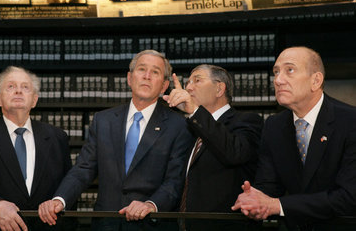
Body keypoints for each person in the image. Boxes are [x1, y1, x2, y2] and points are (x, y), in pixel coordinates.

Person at [39, 50, 193, 230]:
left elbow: (175, 181)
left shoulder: (179, 126)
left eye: (155, 72)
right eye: (141, 69)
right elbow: (84, 168)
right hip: (106, 223)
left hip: (152, 224)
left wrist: (151, 205)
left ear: (164, 85)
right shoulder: (103, 120)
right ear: (129, 78)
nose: (147, 76)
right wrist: (60, 199)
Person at [232, 47, 356, 230]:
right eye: (276, 72)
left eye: (289, 70)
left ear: (316, 80)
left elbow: (348, 197)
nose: (278, 80)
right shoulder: (274, 126)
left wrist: (277, 205)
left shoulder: (350, 122)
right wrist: (253, 200)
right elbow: (269, 186)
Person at [0, 66, 72, 231]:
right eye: (10, 87)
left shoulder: (57, 137)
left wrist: (57, 202)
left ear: (34, 100)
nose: (18, 91)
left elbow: (68, 184)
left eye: (25, 87)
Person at [163, 65, 263, 229]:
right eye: (188, 82)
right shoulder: (191, 128)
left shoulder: (246, 121)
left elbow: (234, 153)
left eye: (197, 80)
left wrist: (195, 111)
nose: (188, 87)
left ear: (219, 89)